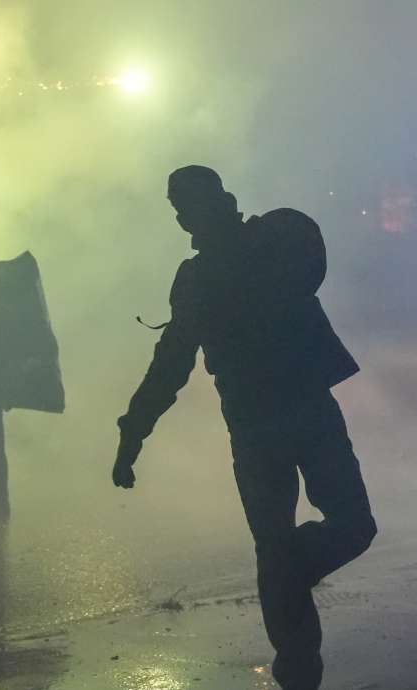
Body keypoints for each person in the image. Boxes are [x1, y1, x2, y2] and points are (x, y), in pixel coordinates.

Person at [112, 165, 376, 690]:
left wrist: (133, 433)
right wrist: (134, 430)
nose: (185, 217)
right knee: (295, 542)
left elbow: (306, 265)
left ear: (218, 200)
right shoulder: (204, 274)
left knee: (339, 532)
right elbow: (172, 362)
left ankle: (289, 575)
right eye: (179, 209)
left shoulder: (273, 239)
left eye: (188, 206)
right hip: (261, 423)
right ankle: (298, 670)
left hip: (298, 412)